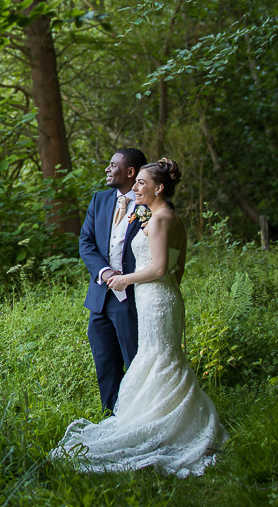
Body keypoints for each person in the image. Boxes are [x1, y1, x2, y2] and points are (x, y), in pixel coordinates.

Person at [52, 158, 227, 477]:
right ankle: (163, 418)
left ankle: (158, 425)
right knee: (160, 359)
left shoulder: (157, 219)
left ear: (158, 187)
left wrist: (126, 281)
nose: (135, 189)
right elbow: (176, 268)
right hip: (161, 297)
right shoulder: (170, 218)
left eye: (141, 183)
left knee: (156, 359)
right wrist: (166, 292)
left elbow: (158, 267)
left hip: (149, 298)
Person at [78, 148, 147, 414]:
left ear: (130, 172)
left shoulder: (149, 204)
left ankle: (140, 416)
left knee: (136, 361)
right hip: (99, 299)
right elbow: (86, 243)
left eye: (112, 165)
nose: (107, 169)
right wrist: (105, 272)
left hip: (132, 298)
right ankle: (111, 417)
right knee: (105, 365)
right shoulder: (99, 200)